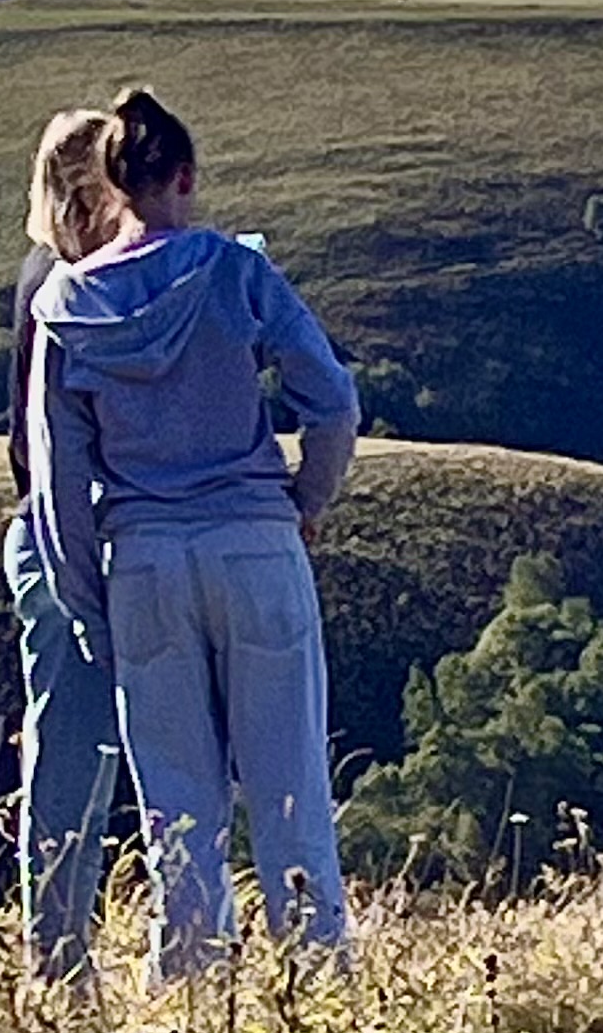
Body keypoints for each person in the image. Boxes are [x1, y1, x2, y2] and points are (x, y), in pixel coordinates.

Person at [23, 86, 359, 979]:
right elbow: (331, 398)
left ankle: (195, 989)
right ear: (184, 176)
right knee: (290, 784)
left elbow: (57, 477)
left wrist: (88, 601)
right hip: (254, 539)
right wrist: (305, 498)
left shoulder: (64, 306)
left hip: (144, 559)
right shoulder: (236, 271)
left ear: (112, 184)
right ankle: (318, 981)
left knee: (177, 803)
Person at [4, 177, 125, 979]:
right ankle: (56, 962)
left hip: (47, 532)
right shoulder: (68, 290)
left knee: (81, 753)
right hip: (66, 539)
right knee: (78, 757)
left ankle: (64, 957)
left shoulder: (40, 272)